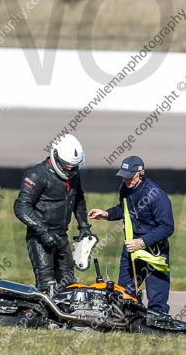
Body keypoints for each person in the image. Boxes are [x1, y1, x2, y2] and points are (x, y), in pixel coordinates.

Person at [88, 156, 174, 314]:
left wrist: (141, 242)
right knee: (125, 297)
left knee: (157, 303)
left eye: (129, 176)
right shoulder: (125, 188)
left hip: (154, 254)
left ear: (141, 173)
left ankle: (159, 330)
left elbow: (167, 227)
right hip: (131, 250)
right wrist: (106, 214)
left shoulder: (157, 196)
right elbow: (124, 209)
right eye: (123, 176)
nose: (125, 180)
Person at [14, 134, 93, 293]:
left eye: (74, 166)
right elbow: (21, 207)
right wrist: (43, 232)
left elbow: (78, 198)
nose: (70, 170)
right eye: (66, 166)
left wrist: (84, 226)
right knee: (47, 285)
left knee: (69, 284)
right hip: (39, 238)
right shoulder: (36, 175)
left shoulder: (74, 175)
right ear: (55, 156)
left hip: (61, 236)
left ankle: (65, 316)